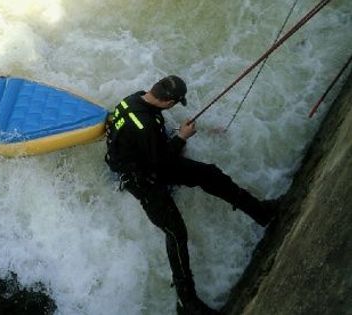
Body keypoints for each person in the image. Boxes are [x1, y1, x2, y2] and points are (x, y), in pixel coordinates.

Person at [104, 75, 276, 315]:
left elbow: (150, 142)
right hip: (143, 177)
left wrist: (183, 134)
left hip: (148, 158)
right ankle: (186, 302)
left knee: (209, 174)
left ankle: (262, 213)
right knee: (175, 232)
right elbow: (161, 164)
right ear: (168, 102)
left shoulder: (136, 98)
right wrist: (182, 138)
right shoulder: (144, 125)